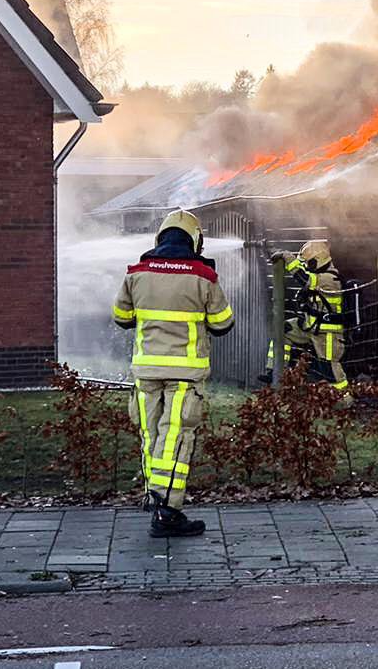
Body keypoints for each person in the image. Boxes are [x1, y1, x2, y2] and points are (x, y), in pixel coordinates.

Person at [113, 209, 233, 537]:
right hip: (185, 373)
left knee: (150, 435)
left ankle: (155, 499)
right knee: (175, 437)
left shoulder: (136, 273)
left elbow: (121, 317)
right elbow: (223, 323)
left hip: (146, 370)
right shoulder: (203, 276)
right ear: (195, 240)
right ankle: (167, 511)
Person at [268, 239, 351, 399]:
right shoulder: (318, 276)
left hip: (328, 333)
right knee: (284, 330)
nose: (306, 265)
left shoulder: (329, 279)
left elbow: (303, 278)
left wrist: (288, 258)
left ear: (318, 260)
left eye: (308, 262)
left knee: (329, 369)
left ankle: (344, 399)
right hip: (312, 327)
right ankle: (274, 372)